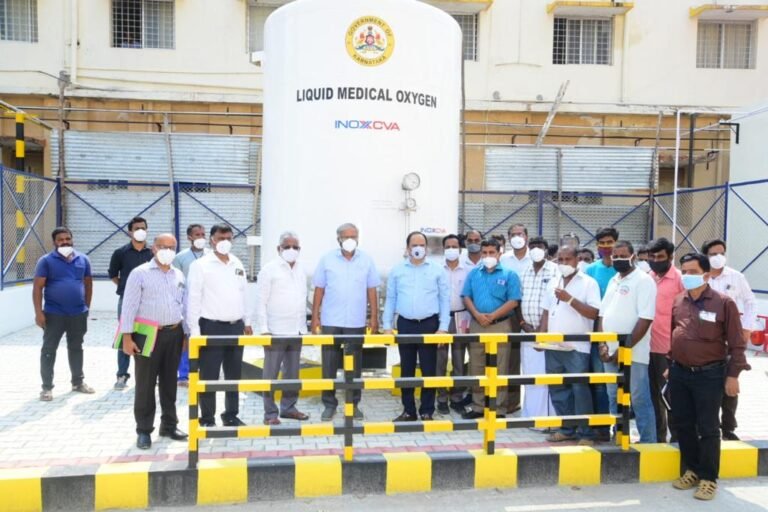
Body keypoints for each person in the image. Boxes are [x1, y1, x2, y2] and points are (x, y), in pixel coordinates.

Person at [669, 252, 750, 501]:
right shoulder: (679, 300)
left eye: (693, 272)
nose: (687, 276)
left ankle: (708, 478)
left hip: (710, 375)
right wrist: (671, 362)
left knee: (708, 427)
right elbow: (676, 331)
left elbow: (737, 343)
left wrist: (733, 375)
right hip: (679, 372)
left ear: (706, 275)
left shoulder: (723, 303)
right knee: (683, 424)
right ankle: (692, 470)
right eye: (684, 271)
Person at [120, 233, 188, 449]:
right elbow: (129, 306)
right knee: (145, 384)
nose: (167, 251)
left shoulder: (178, 274)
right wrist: (127, 337)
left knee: (169, 383)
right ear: (153, 248)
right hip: (148, 334)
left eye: (171, 247)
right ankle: (143, 430)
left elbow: (183, 305)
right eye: (162, 246)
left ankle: (169, 424)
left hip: (174, 333)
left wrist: (186, 334)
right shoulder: (139, 273)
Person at [311, 223, 380, 421]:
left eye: (354, 236)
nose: (350, 239)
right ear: (338, 239)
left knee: (355, 367)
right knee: (329, 366)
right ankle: (329, 404)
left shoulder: (366, 260)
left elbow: (372, 290)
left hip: (356, 321)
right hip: (331, 320)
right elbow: (319, 289)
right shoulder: (327, 259)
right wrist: (315, 316)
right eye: (346, 236)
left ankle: (353, 404)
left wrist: (374, 317)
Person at [187, 224, 253, 427]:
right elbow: (193, 299)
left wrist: (247, 321)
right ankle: (207, 418)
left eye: (228, 238)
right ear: (212, 240)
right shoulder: (200, 265)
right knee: (210, 374)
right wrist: (195, 331)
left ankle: (231, 414)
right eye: (220, 238)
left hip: (235, 327)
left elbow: (244, 293)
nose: (225, 242)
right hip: (211, 327)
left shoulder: (237, 262)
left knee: (234, 374)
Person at [383, 232, 450, 421]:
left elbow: (444, 300)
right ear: (407, 248)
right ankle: (409, 410)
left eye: (421, 245)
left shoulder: (437, 270)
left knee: (429, 369)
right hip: (405, 324)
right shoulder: (397, 270)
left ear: (426, 248)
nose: (418, 248)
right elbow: (391, 299)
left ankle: (427, 410)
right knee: (407, 369)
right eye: (414, 245)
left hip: (430, 324)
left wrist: (443, 327)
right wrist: (387, 325)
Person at [539, 246, 601, 445]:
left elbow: (594, 313)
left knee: (579, 389)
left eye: (568, 259)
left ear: (577, 260)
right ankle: (567, 429)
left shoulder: (589, 283)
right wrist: (540, 336)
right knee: (557, 388)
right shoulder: (553, 281)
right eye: (561, 260)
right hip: (553, 345)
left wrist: (570, 299)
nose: (564, 263)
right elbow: (546, 311)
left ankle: (586, 433)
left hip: (577, 346)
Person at [599, 240, 657, 444]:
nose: (619, 259)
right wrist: (602, 344)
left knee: (639, 397)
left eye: (623, 256)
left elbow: (645, 319)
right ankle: (619, 436)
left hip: (634, 351)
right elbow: (602, 314)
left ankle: (648, 441)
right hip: (610, 351)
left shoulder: (643, 281)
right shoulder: (614, 279)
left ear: (633, 256)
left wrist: (625, 348)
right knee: (613, 396)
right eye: (615, 256)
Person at [701, 239, 757, 441]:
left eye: (721, 253)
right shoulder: (700, 277)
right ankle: (708, 427)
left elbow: (750, 302)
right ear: (705, 256)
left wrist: (746, 328)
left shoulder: (736, 277)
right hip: (706, 340)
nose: (718, 257)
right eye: (713, 254)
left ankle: (728, 428)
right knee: (707, 386)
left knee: (730, 383)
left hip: (730, 340)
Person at [460, 239, 521, 419]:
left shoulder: (510, 275)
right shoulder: (474, 274)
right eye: (484, 253)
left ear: (499, 253)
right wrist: (477, 314)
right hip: (477, 324)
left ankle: (498, 408)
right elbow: (466, 296)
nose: (488, 256)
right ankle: (478, 406)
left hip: (500, 325)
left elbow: (514, 301)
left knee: (500, 367)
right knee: (476, 365)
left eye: (491, 252)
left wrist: (493, 316)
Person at [255, 231, 311, 425]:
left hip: (296, 330)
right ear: (278, 248)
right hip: (275, 330)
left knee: (292, 373)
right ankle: (270, 413)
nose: (291, 250)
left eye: (295, 247)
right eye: (287, 246)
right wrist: (264, 329)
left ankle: (289, 408)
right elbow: (261, 301)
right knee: (270, 374)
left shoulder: (301, 269)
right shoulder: (269, 270)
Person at [33, 227, 95, 401]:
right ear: (54, 242)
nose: (65, 242)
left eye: (67, 238)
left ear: (72, 239)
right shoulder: (46, 261)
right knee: (49, 349)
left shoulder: (83, 259)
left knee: (76, 347)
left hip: (78, 314)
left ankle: (78, 382)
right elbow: (37, 288)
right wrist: (38, 313)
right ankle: (46, 388)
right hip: (54, 314)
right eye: (60, 240)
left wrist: (86, 308)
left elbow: (88, 284)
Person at [109, 216, 152, 390]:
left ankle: (148, 375)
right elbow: (113, 274)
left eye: (143, 228)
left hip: (148, 302)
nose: (140, 231)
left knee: (148, 336)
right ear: (130, 232)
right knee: (125, 335)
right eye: (137, 228)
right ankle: (122, 375)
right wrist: (128, 289)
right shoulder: (120, 253)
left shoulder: (153, 253)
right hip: (126, 301)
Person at [585, 226, 619, 441]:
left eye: (610, 242)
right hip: (597, 332)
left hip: (622, 332)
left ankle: (620, 427)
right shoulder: (591, 270)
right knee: (600, 383)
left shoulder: (623, 268)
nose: (606, 246)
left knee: (620, 385)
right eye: (602, 243)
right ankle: (602, 427)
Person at [648, 237, 684, 443]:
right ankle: (657, 437)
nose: (655, 260)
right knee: (652, 395)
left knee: (670, 395)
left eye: (660, 256)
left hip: (669, 349)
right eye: (652, 256)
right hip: (646, 347)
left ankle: (677, 438)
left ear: (670, 257)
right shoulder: (648, 277)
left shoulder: (679, 279)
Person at [519, 237, 558, 419]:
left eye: (539, 247)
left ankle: (548, 419)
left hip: (548, 333)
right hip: (527, 332)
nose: (536, 250)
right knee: (530, 375)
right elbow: (517, 300)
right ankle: (531, 416)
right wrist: (524, 325)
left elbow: (553, 302)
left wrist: (542, 331)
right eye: (532, 246)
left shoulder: (555, 271)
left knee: (547, 377)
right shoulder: (524, 271)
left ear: (546, 250)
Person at [436, 234, 472, 414]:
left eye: (454, 246)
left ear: (460, 249)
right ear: (443, 249)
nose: (451, 249)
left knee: (459, 360)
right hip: (440, 320)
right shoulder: (436, 269)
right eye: (448, 246)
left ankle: (457, 397)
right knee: (439, 360)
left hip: (461, 317)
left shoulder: (468, 270)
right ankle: (441, 398)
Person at [172, 223, 208, 387]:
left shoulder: (211, 255)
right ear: (189, 237)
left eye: (203, 234)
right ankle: (184, 375)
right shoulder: (180, 257)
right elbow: (175, 281)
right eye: (197, 235)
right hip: (187, 303)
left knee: (205, 338)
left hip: (207, 303)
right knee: (187, 339)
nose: (201, 237)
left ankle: (203, 371)